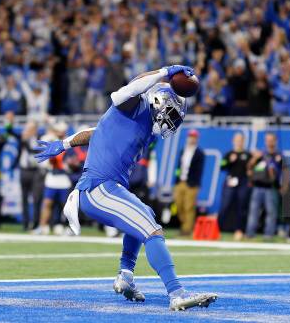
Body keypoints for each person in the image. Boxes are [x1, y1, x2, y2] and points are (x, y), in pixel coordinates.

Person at [34, 65, 217, 311]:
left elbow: (95, 132)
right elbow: (127, 91)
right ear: (157, 100)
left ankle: (126, 275)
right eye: (172, 111)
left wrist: (65, 143)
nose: (172, 118)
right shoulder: (132, 106)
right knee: (152, 230)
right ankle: (176, 293)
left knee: (147, 215)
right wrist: (165, 72)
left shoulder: (148, 128)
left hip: (109, 188)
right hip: (98, 188)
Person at [35, 122, 72, 235]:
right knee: (47, 203)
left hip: (64, 178)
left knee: (65, 205)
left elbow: (72, 162)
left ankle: (66, 227)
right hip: (52, 177)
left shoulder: (70, 143)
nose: (60, 132)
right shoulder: (52, 141)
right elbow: (44, 141)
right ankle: (42, 226)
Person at [245, 132, 282, 240]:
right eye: (267, 140)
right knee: (253, 212)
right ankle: (250, 233)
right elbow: (249, 167)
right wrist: (254, 158)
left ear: (275, 141)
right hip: (257, 186)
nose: (269, 142)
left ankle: (268, 234)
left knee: (271, 212)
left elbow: (280, 173)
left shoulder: (278, 156)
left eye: (271, 140)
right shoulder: (260, 155)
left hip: (271, 187)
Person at [218, 132, 251, 241]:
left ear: (243, 141)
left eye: (241, 140)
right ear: (233, 141)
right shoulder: (228, 154)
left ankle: (239, 230)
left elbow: (251, 168)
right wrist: (229, 161)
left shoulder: (247, 154)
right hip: (230, 181)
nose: (239, 142)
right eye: (237, 140)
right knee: (225, 205)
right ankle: (218, 228)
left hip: (243, 182)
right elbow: (222, 166)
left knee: (242, 206)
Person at [173, 129, 205, 236]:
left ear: (197, 139)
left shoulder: (199, 153)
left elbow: (199, 170)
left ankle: (186, 229)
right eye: (190, 136)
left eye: (194, 137)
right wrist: (176, 179)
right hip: (180, 182)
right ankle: (184, 224)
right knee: (178, 204)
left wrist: (197, 184)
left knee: (189, 206)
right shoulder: (183, 151)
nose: (192, 139)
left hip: (191, 183)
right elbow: (179, 167)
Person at [19, 121, 44, 231]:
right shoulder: (23, 139)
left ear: (35, 130)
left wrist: (25, 141)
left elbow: (33, 151)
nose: (28, 131)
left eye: (30, 129)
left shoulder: (39, 138)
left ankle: (35, 224)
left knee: (36, 198)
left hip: (36, 171)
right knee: (24, 198)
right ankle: (25, 224)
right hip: (24, 170)